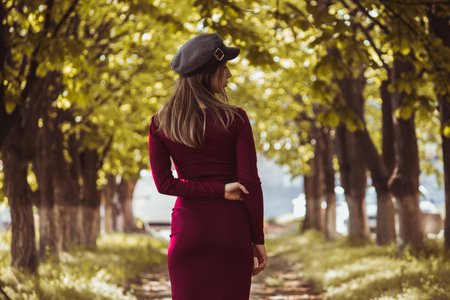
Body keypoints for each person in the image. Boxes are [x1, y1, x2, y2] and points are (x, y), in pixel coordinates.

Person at [148, 33, 267, 300]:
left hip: (188, 234)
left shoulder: (160, 123)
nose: (229, 75)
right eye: (224, 67)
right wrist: (257, 239)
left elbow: (165, 184)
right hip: (230, 233)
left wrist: (217, 190)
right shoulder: (235, 119)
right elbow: (250, 184)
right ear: (207, 73)